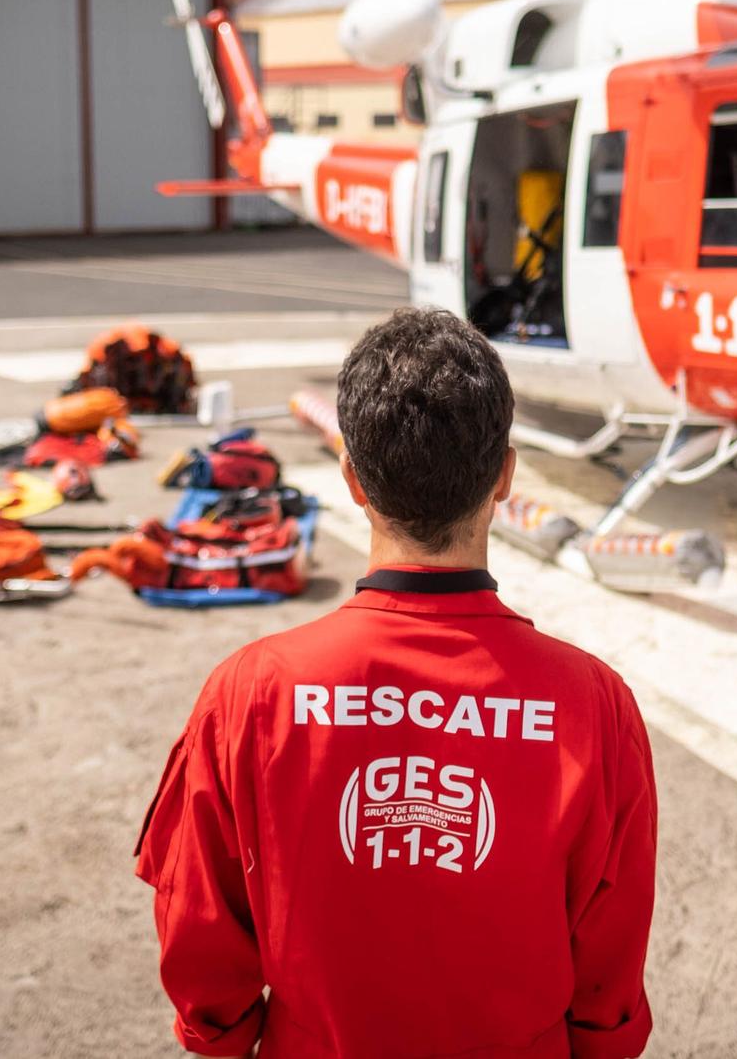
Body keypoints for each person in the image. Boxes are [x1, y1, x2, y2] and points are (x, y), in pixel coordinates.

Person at [137, 308, 657, 1059]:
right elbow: (611, 958)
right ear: (505, 475)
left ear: (352, 478)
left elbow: (198, 925)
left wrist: (223, 1039)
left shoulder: (251, 692)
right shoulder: (594, 706)